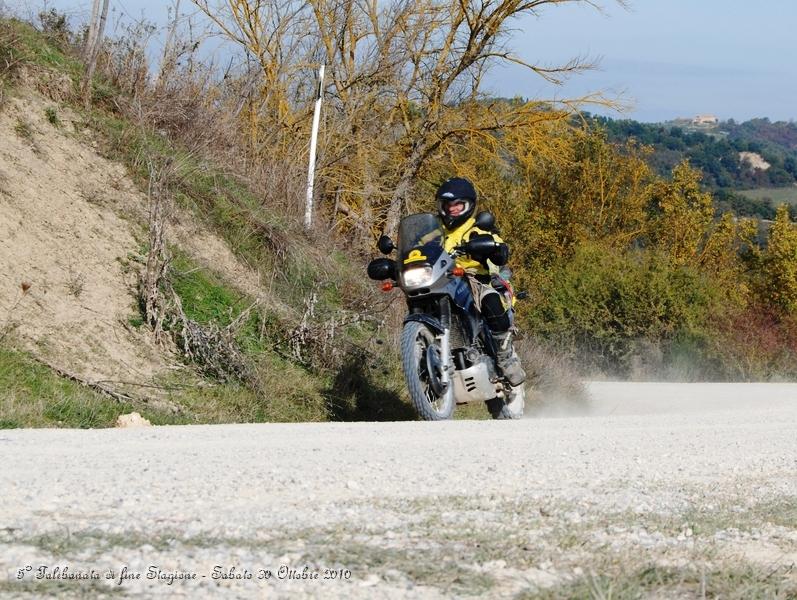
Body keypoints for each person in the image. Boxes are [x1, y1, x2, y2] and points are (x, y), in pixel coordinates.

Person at [435, 176, 526, 386]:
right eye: (449, 204)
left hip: (474, 280)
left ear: (468, 205)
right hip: (439, 281)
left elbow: (499, 249)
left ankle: (505, 357)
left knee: (491, 301)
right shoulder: (434, 230)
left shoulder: (476, 228)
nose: (453, 209)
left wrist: (494, 247)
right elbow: (417, 248)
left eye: (458, 204)